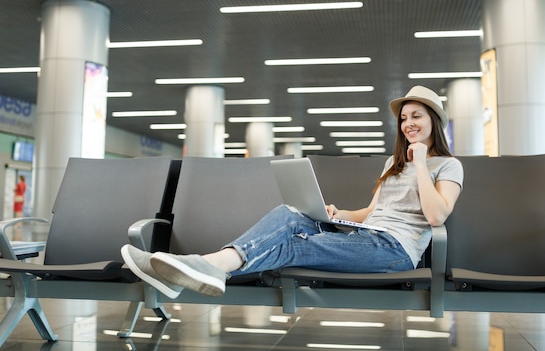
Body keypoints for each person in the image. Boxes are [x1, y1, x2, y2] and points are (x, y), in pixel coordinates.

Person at [121, 85, 464, 299]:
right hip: (369, 236)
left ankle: (198, 267)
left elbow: (436, 216)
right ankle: (196, 270)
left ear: (434, 120)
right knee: (291, 214)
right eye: (404, 118)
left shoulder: (448, 166)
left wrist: (421, 164)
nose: (408, 124)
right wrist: (339, 214)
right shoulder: (393, 162)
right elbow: (373, 212)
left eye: (416, 116)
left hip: (395, 252)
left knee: (290, 243)